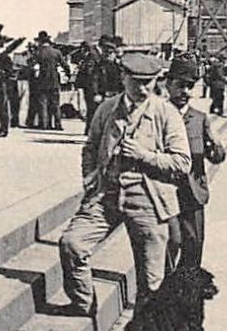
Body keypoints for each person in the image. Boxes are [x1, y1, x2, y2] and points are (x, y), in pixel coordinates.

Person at [57, 52, 192, 316]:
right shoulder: (107, 108)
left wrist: (144, 155)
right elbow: (90, 147)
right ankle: (83, 304)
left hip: (149, 199)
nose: (142, 88)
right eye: (136, 82)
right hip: (107, 195)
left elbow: (182, 162)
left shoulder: (166, 113)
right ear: (123, 78)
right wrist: (90, 179)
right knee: (72, 243)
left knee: (152, 279)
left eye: (149, 82)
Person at [163, 57, 227, 272]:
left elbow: (216, 157)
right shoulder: (157, 115)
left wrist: (216, 145)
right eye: (180, 85)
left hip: (192, 194)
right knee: (169, 247)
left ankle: (188, 298)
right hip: (165, 194)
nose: (185, 91)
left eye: (189, 86)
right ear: (167, 84)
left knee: (193, 248)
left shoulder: (199, 118)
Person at [29, 31, 66, 131]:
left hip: (42, 81)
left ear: (40, 41)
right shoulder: (56, 52)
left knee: (43, 104)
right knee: (55, 104)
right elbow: (65, 65)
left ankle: (44, 124)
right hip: (54, 80)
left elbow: (31, 65)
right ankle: (58, 125)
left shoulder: (38, 52)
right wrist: (67, 73)